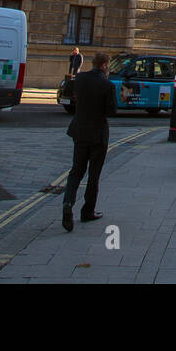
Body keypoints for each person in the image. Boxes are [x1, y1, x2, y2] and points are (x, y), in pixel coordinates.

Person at [62, 52, 118, 232]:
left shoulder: (80, 78)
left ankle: (68, 203)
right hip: (98, 134)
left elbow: (71, 96)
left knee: (76, 171)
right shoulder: (107, 85)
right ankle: (87, 211)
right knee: (94, 175)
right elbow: (111, 111)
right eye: (108, 65)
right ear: (104, 65)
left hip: (80, 131)